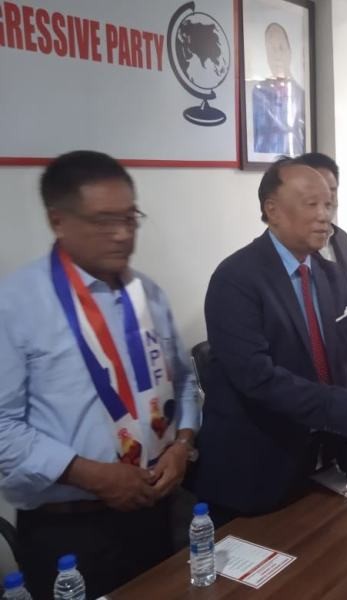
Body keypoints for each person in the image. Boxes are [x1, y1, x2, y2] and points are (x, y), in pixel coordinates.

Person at [0, 151, 200, 598]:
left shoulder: (147, 294)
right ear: (58, 221)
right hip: (69, 532)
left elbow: (185, 383)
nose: (122, 234)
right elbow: (2, 428)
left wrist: (182, 446)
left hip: (155, 509)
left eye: (131, 218)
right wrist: (92, 474)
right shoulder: (16, 304)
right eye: (102, 221)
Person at [192, 159, 347, 521]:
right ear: (272, 210)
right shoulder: (236, 279)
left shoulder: (329, 274)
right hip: (257, 468)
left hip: (322, 461)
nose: (325, 216)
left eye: (329, 204)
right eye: (312, 205)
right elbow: (256, 376)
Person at [296, 151, 347, 393]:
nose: (325, 205)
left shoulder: (342, 239)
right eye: (313, 197)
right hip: (308, 383)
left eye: (331, 192)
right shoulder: (244, 275)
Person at [252, 22, 306, 155]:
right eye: (271, 49)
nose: (276, 56)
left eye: (281, 48)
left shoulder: (301, 95)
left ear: (289, 51)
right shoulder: (258, 93)